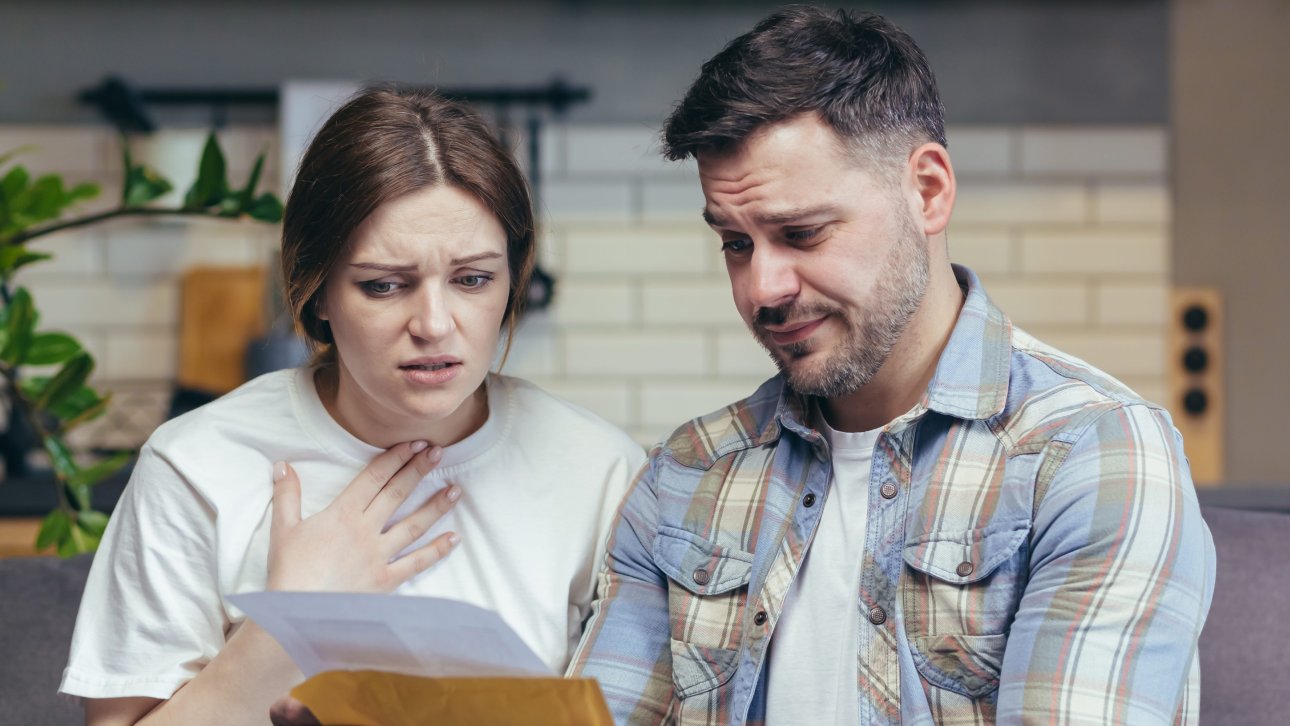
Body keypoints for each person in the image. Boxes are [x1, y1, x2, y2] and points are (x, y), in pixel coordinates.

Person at [567, 6, 1216, 725]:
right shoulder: (687, 475)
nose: (762, 288)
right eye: (735, 243)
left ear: (929, 190)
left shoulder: (1092, 455)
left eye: (801, 233)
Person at [59, 88, 645, 725]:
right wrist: (285, 624)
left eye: (473, 279)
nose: (435, 324)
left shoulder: (600, 470)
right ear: (317, 295)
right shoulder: (195, 466)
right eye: (383, 285)